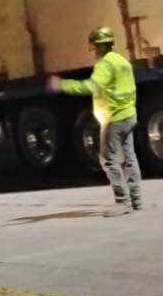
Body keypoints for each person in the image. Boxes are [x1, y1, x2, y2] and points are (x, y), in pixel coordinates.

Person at [48, 25, 142, 214]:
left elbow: (91, 87)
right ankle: (136, 200)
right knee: (130, 158)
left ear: (98, 46)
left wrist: (63, 85)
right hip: (129, 114)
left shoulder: (105, 64)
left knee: (109, 159)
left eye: (93, 47)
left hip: (114, 118)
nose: (93, 51)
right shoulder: (121, 60)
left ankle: (122, 202)